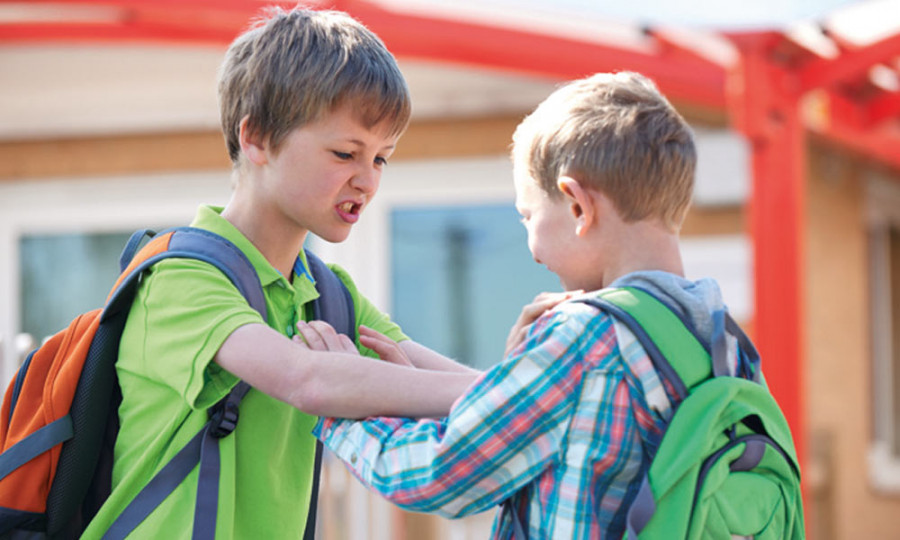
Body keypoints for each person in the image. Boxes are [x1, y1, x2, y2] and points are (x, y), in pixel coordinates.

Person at [82, 7, 479, 539]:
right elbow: (306, 379)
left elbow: (449, 381)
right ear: (257, 138)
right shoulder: (179, 278)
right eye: (346, 153)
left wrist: (539, 387)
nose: (367, 181)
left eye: (381, 159)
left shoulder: (327, 296)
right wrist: (514, 396)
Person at [306, 71, 753, 538]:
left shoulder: (584, 339)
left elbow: (437, 474)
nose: (533, 250)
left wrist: (340, 406)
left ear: (577, 206)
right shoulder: (721, 340)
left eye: (528, 216)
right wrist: (503, 382)